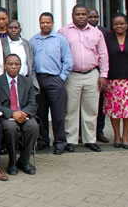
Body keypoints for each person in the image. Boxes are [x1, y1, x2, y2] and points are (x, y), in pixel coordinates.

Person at [58, 4, 109, 153]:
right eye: (78, 14)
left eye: (83, 14)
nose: (81, 17)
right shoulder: (63, 32)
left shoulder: (96, 33)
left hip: (92, 74)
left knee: (91, 109)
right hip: (72, 75)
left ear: (87, 16)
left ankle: (90, 140)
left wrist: (103, 75)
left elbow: (103, 55)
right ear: (72, 15)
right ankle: (71, 140)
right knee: (70, 109)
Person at [29, 12, 73, 155]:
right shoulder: (33, 40)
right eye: (42, 22)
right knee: (40, 113)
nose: (45, 25)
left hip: (55, 79)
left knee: (58, 113)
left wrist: (61, 78)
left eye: (48, 22)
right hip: (39, 80)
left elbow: (68, 61)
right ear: (39, 23)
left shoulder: (60, 40)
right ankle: (42, 141)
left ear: (52, 23)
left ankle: (60, 141)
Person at [0, 54, 38, 176]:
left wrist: (22, 113)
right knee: (11, 128)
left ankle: (24, 161)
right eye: (10, 64)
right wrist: (12, 114)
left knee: (33, 127)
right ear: (5, 66)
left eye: (16, 64)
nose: (13, 67)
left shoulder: (27, 82)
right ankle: (12, 161)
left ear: (20, 66)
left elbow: (32, 104)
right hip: (6, 116)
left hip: (24, 115)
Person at [103, 13, 128, 149]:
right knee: (114, 110)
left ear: (126, 25)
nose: (119, 26)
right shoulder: (107, 38)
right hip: (113, 79)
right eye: (116, 24)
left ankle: (125, 136)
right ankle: (117, 135)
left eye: (122, 23)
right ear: (113, 26)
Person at [88, 8, 110, 143]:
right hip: (87, 72)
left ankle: (99, 132)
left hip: (100, 73)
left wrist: (105, 74)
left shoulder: (106, 33)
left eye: (95, 17)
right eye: (90, 17)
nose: (93, 19)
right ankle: (82, 133)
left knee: (100, 104)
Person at [1, 20, 39, 93]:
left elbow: (31, 64)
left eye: (16, 28)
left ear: (20, 30)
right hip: (8, 82)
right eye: (10, 28)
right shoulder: (1, 43)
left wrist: (32, 79)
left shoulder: (27, 44)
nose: (13, 30)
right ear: (6, 29)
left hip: (25, 80)